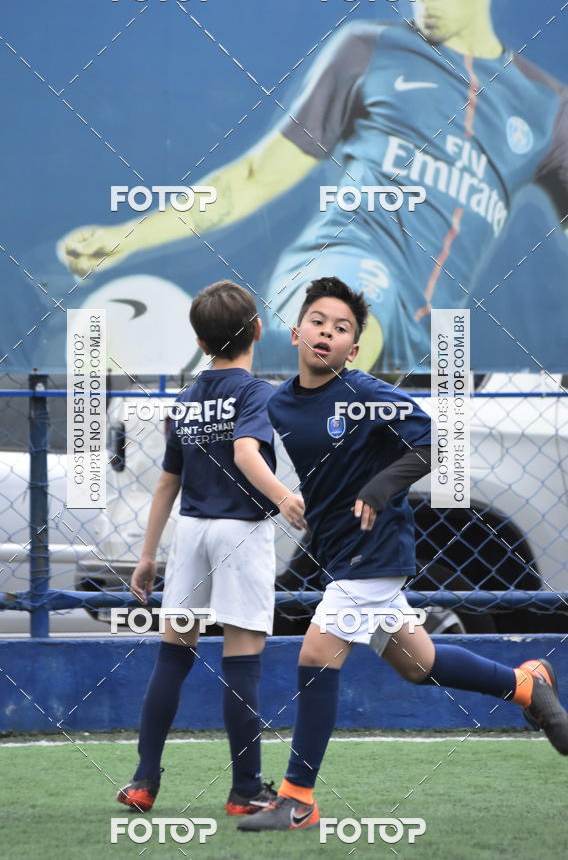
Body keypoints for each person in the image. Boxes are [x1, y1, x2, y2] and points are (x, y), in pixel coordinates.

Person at [57, 0, 568, 373]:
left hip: (426, 329)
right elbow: (253, 178)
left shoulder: (547, 106)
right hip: (343, 263)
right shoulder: (370, 49)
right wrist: (131, 234)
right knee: (343, 319)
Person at [236, 276, 568, 832]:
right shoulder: (281, 402)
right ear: (296, 332)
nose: (327, 332)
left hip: (377, 548)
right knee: (420, 663)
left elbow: (437, 442)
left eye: (342, 328)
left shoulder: (366, 394)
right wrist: (280, 497)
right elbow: (245, 444)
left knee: (316, 655)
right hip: (339, 552)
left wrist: (380, 487)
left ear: (354, 349)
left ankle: (297, 799)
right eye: (318, 321)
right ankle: (526, 682)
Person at [117, 279, 306, 814]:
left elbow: (165, 484)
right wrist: (285, 497)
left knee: (173, 657)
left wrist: (148, 554)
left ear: (200, 343)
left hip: (191, 532)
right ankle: (245, 791)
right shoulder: (258, 393)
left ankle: (143, 781)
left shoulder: (184, 399)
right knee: (242, 660)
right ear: (259, 331)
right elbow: (248, 453)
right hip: (241, 530)